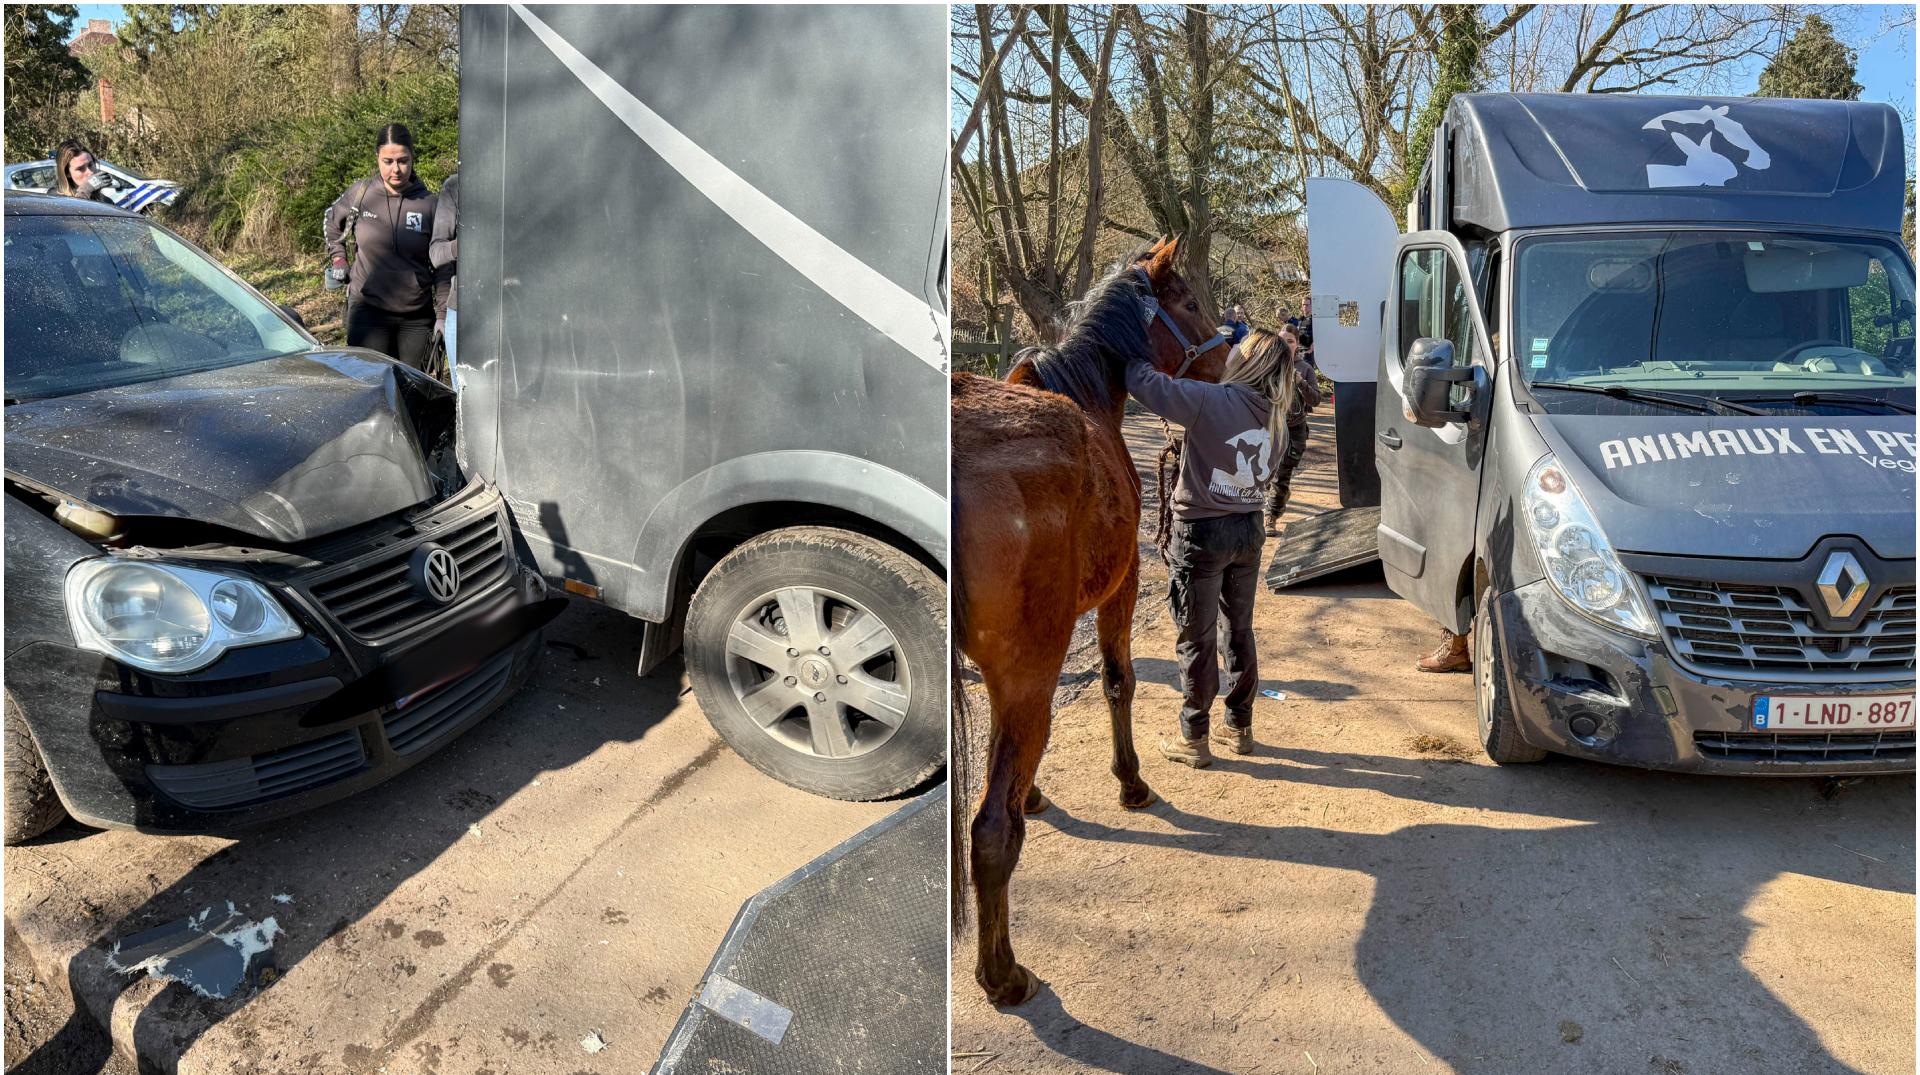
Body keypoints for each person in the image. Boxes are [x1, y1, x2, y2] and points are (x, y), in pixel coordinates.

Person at [1126, 329, 1298, 768]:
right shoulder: (1276, 419)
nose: (1231, 350)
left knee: (1195, 636)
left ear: (1249, 360)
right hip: (1247, 529)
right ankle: (1239, 725)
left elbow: (1143, 382)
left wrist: (1133, 342)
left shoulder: (1209, 400)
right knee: (1238, 630)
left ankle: (1193, 736)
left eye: (1238, 347)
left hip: (1201, 532)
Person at [323, 123, 448, 370]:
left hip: (416, 318)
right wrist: (339, 259)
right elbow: (331, 221)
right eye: (387, 161)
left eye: (403, 161)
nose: (396, 169)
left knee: (413, 396)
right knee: (371, 391)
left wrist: (443, 316)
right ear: (377, 158)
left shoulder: (430, 204)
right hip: (368, 312)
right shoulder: (360, 195)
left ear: (413, 158)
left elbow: (444, 265)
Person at [1264, 322, 1324, 536]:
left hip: (1295, 430)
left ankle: (1270, 517)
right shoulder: (1267, 365)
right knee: (1264, 473)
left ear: (1296, 344)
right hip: (1269, 428)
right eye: (1281, 340)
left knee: (1281, 475)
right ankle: (1274, 500)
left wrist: (1300, 383)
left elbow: (1316, 400)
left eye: (1289, 341)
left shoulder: (1305, 368)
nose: (1285, 344)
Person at [429, 169, 459, 386]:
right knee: (465, 400)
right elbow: (436, 254)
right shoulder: (455, 187)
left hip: (520, 309)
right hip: (462, 310)